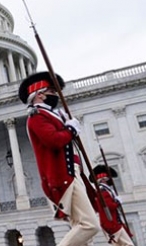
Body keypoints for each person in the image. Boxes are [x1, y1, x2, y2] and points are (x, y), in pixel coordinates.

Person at [19, 72, 99, 245]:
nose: (55, 95)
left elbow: (67, 150)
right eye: (52, 91)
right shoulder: (37, 117)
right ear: (40, 93)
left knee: (83, 231)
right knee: (90, 225)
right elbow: (54, 141)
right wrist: (70, 130)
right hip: (62, 178)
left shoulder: (52, 115)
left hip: (70, 174)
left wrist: (67, 126)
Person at [91, 165, 133, 245]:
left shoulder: (104, 190)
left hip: (112, 223)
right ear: (104, 180)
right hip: (112, 223)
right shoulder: (103, 191)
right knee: (128, 244)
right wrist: (117, 201)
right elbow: (110, 206)